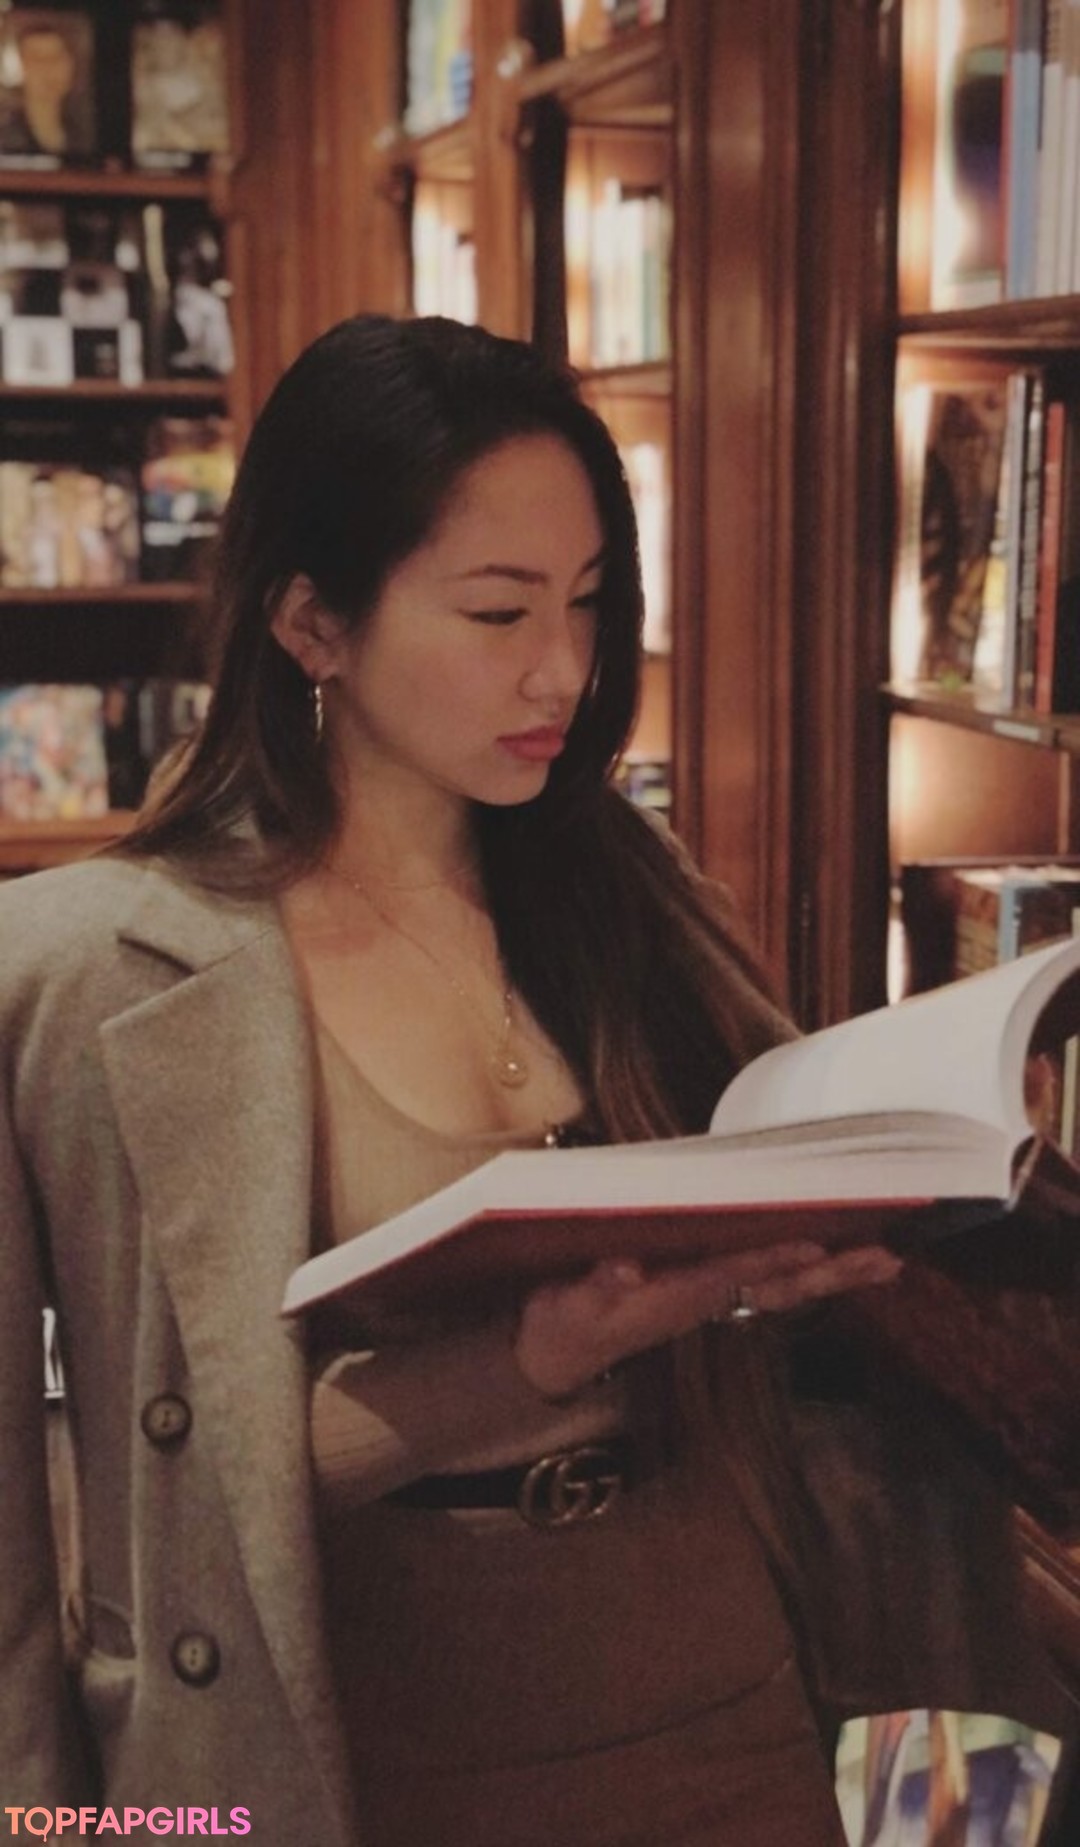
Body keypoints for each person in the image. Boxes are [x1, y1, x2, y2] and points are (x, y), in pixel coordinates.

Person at [0, 314, 1068, 1846]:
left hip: (720, 1687)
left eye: (588, 601)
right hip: (370, 1748)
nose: (563, 667)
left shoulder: (624, 884)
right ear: (312, 623)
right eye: (498, 611)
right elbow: (155, 1509)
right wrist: (527, 1360)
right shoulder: (93, 976)